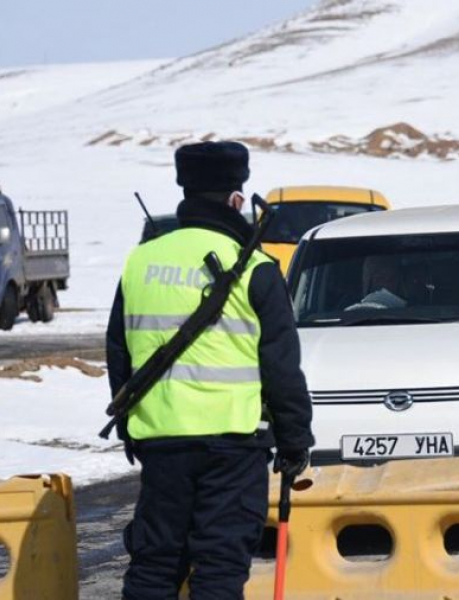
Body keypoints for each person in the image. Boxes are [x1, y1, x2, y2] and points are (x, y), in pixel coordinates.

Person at [106, 141, 314, 600]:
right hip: (233, 447)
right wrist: (295, 440)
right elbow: (281, 367)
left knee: (154, 565)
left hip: (161, 443)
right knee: (219, 568)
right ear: (237, 198)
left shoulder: (139, 263)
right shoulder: (256, 269)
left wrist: (130, 425)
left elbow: (118, 353)